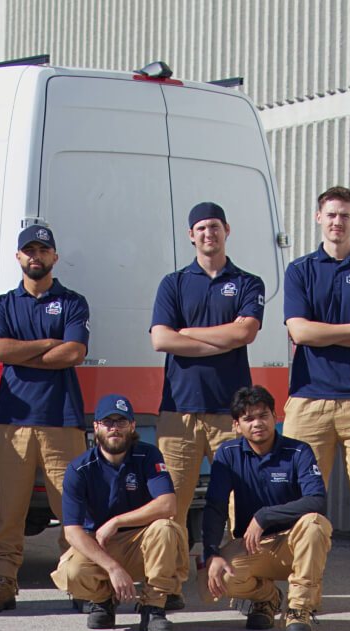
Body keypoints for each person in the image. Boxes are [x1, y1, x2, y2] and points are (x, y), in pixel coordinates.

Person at [282, 186, 350, 618]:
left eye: (345, 215)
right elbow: (300, 333)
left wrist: (324, 328)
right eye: (330, 215)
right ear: (317, 218)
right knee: (299, 499)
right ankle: (302, 591)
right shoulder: (300, 270)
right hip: (308, 400)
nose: (337, 222)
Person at [150, 201, 264, 610]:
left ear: (227, 230)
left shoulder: (248, 282)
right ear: (190, 235)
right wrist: (223, 335)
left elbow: (246, 332)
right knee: (171, 506)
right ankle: (168, 586)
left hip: (231, 414)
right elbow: (162, 340)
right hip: (179, 410)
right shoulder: (174, 283)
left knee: (242, 501)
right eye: (200, 228)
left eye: (214, 226)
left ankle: (244, 584)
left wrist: (190, 333)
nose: (207, 234)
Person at [0, 224, 89, 613]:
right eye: (29, 251)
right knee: (7, 512)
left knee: (72, 511)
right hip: (12, 422)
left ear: (54, 257)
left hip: (62, 420)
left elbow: (74, 352)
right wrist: (47, 344)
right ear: (18, 257)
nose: (35, 257)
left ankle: (81, 582)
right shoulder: (3, 305)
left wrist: (22, 353)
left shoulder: (73, 302)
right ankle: (3, 583)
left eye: (43, 250)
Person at [201, 386, 332, 631]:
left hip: (293, 544)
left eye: (263, 415)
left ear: (275, 416)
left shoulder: (298, 452)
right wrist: (211, 553)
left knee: (315, 524)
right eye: (249, 419)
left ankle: (299, 609)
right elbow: (215, 507)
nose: (257, 423)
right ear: (237, 425)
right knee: (211, 583)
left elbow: (317, 501)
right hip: (254, 546)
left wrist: (265, 515)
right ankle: (267, 598)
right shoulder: (227, 455)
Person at [52, 394, 183, 631]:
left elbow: (168, 504)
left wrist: (117, 521)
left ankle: (153, 607)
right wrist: (112, 568)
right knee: (71, 570)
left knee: (165, 528)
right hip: (101, 545)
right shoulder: (79, 468)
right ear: (96, 427)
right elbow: (72, 531)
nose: (115, 429)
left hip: (141, 543)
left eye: (121, 422)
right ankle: (102, 601)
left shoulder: (148, 455)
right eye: (108, 422)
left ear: (132, 426)